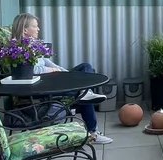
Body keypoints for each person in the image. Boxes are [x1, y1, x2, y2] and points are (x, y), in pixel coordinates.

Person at [11, 13, 112, 145]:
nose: (38, 29)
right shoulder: (18, 50)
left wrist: (64, 72)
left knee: (86, 67)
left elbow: (47, 63)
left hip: (56, 80)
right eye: (35, 26)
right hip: (47, 89)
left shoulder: (33, 45)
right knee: (83, 93)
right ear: (25, 30)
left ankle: (85, 92)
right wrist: (53, 71)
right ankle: (93, 131)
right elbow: (32, 71)